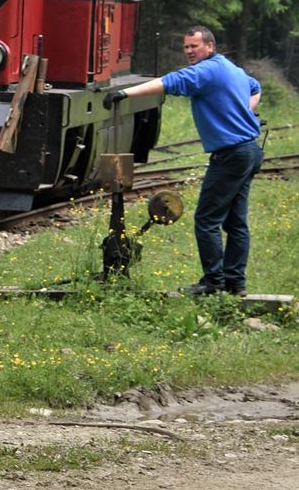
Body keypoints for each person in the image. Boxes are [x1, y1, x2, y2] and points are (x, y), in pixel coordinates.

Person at [104, 26, 263, 296]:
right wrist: (243, 113)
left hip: (231, 155)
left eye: (194, 46)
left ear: (210, 47)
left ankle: (214, 282)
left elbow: (171, 81)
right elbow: (255, 87)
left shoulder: (207, 70)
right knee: (235, 222)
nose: (189, 52)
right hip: (248, 151)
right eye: (186, 47)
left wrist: (125, 93)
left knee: (206, 219)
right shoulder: (230, 69)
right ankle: (236, 283)